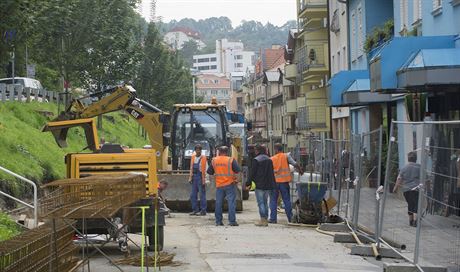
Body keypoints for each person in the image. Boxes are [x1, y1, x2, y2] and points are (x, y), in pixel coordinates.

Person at [269, 143, 304, 223]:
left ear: (276, 150)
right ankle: (290, 219)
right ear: (282, 149)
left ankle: (273, 219)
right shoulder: (286, 156)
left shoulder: (272, 159)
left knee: (273, 200)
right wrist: (300, 170)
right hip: (284, 182)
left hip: (275, 182)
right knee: (286, 200)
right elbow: (294, 164)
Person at [207, 146, 241, 226]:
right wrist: (237, 180)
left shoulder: (214, 160)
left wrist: (214, 181)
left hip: (219, 185)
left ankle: (218, 221)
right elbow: (238, 172)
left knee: (218, 203)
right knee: (231, 203)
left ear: (219, 151)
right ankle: (232, 221)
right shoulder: (231, 160)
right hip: (230, 184)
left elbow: (210, 173)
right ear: (227, 151)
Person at [247, 144, 276, 226]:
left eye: (255, 150)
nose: (255, 151)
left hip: (259, 184)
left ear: (258, 150)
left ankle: (263, 219)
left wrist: (248, 182)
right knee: (265, 202)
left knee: (260, 202)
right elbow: (271, 173)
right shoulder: (269, 160)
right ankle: (265, 219)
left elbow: (253, 172)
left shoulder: (256, 160)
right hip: (268, 184)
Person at [393, 151, 421, 227]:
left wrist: (395, 188)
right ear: (416, 159)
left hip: (406, 190)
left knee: (410, 204)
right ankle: (415, 221)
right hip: (416, 189)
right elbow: (426, 178)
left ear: (408, 159)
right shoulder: (419, 167)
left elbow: (399, 179)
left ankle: (410, 220)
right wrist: (428, 188)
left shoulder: (404, 168)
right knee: (416, 204)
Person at [188, 144, 208, 216]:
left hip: (200, 177)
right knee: (193, 195)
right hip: (194, 177)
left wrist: (205, 180)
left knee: (202, 195)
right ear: (195, 150)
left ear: (201, 150)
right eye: (197, 150)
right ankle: (195, 210)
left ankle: (203, 210)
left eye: (199, 150)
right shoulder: (193, 157)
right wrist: (190, 177)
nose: (198, 151)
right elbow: (191, 168)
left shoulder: (203, 158)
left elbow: (205, 169)